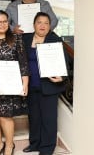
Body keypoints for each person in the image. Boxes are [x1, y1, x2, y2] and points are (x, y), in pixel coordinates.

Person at [0, 10, 29, 155]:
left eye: (5, 21)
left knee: (5, 115)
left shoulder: (16, 39)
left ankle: (9, 145)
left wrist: (25, 83)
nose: (2, 24)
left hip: (9, 84)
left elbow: (23, 63)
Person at [22, 12, 68, 155]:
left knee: (48, 119)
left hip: (49, 86)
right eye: (39, 22)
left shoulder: (55, 40)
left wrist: (62, 76)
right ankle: (35, 143)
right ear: (34, 24)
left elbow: (66, 62)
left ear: (50, 26)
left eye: (46, 23)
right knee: (34, 117)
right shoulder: (26, 38)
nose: (42, 25)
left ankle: (47, 148)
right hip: (31, 85)